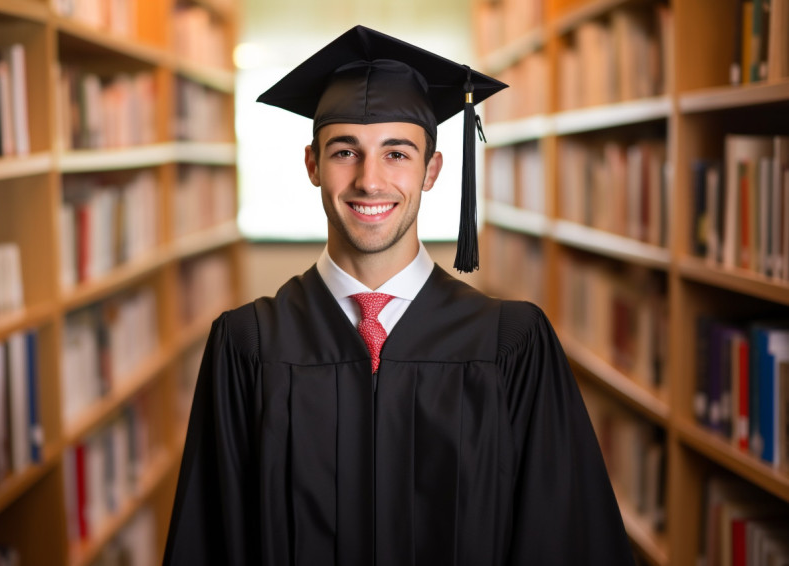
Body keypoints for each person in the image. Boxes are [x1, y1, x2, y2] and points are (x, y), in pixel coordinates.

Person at [163, 25, 635, 566]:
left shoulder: (511, 347)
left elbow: (562, 537)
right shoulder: (248, 346)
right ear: (312, 165)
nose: (369, 181)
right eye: (345, 152)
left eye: (397, 154)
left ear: (432, 170)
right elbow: (211, 540)